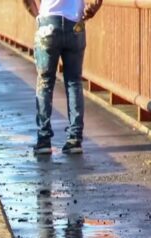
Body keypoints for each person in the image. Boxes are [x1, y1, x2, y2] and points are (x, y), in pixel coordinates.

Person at [28, 0, 102, 155]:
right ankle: (75, 139)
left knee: (45, 82)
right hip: (75, 24)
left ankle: (43, 140)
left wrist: (37, 15)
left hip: (48, 23)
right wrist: (93, 8)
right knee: (74, 82)